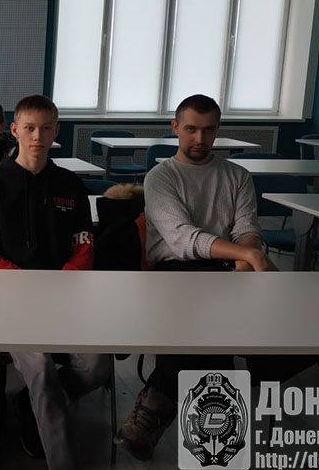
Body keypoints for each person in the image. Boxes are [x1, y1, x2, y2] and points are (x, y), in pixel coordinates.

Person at [114, 94, 276, 461]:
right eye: (190, 129)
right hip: (175, 271)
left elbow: (247, 228)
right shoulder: (161, 177)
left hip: (225, 270)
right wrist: (247, 254)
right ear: (175, 128)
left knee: (227, 332)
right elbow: (182, 239)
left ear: (218, 129)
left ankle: (155, 409)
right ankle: (213, 445)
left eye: (208, 130)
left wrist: (245, 256)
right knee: (208, 335)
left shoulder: (237, 176)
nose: (199, 139)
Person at [0, 94, 109, 469]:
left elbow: (83, 244)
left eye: (46, 128)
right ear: (15, 130)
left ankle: (35, 404)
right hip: (12, 300)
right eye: (30, 128)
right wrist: (28, 288)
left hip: (66, 297)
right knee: (42, 372)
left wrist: (62, 286)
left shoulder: (70, 184)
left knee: (97, 368)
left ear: (56, 131)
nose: (38, 136)